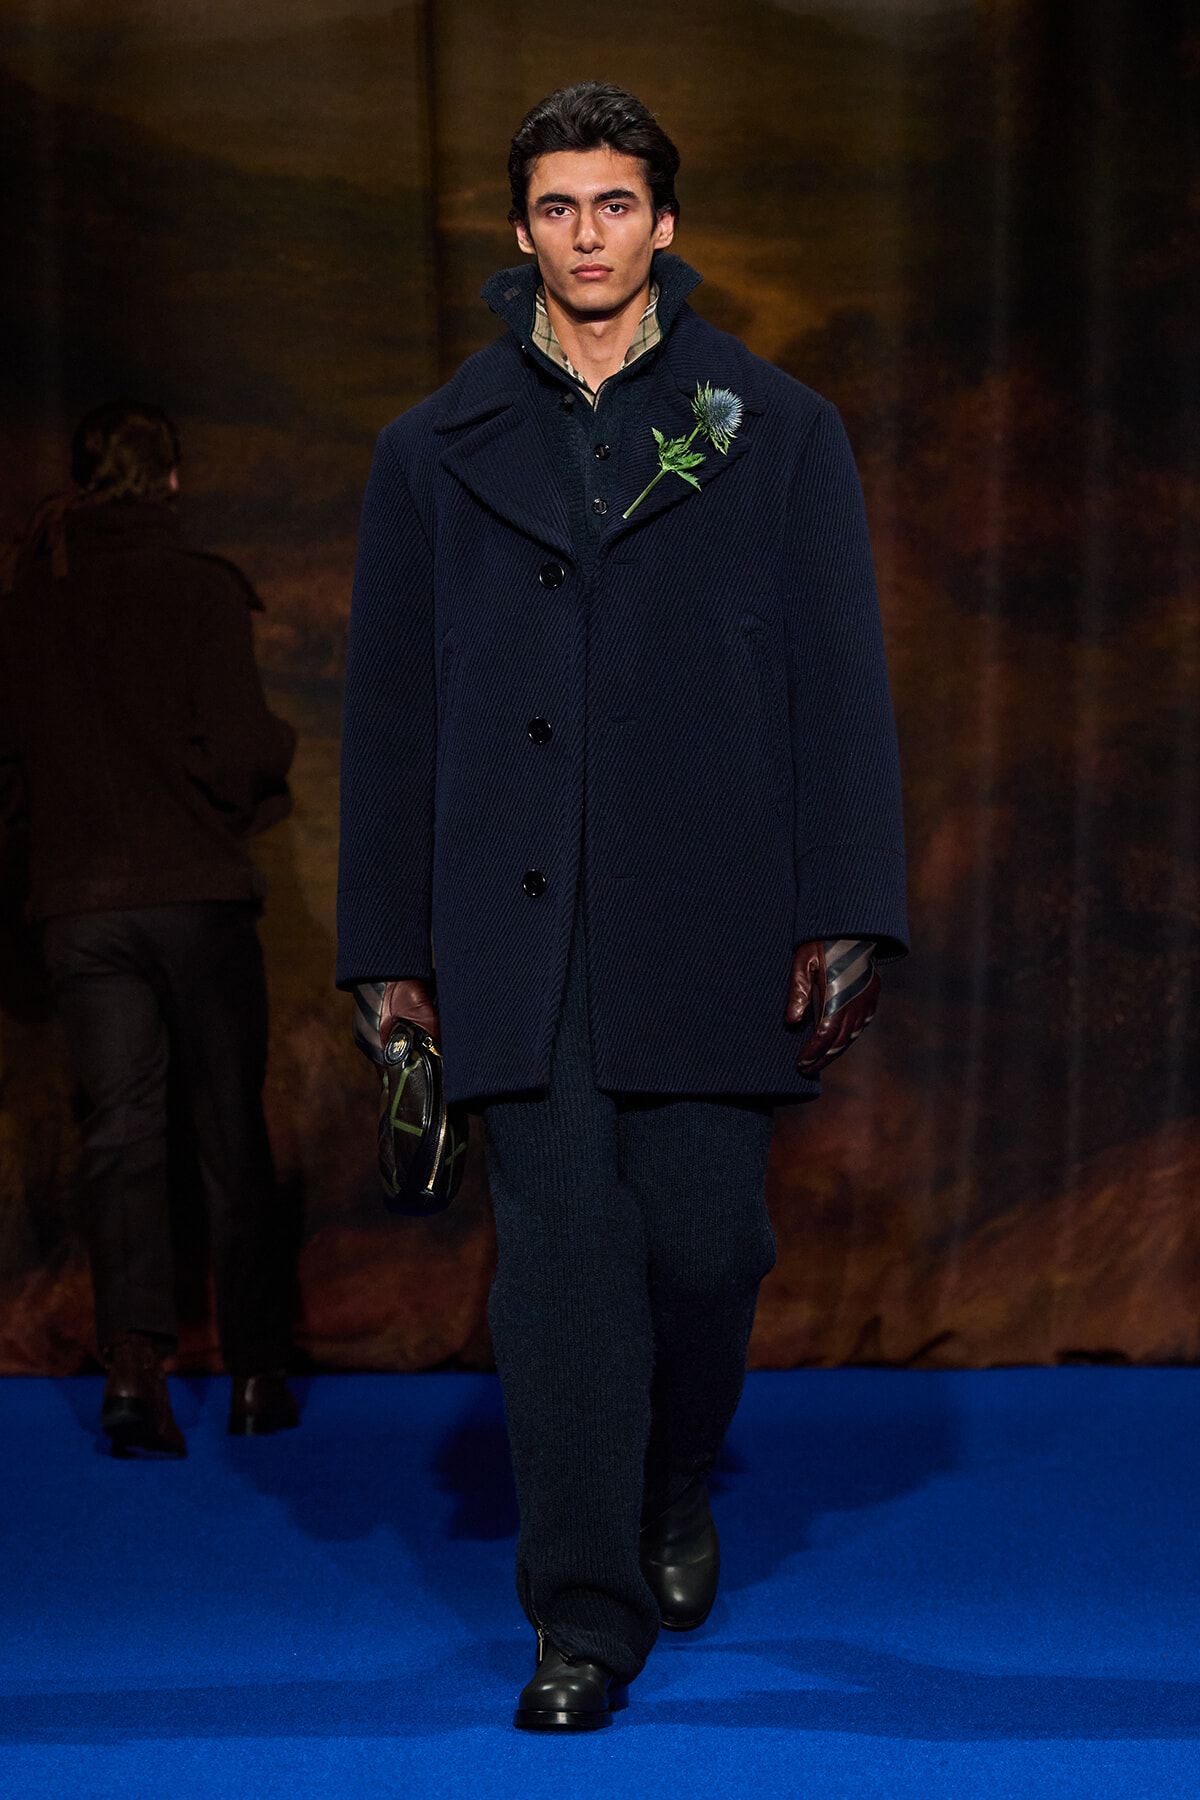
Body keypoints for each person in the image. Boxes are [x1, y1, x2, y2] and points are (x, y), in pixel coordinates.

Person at [337, 83, 908, 1728]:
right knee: (563, 1274)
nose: (587, 235)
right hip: (514, 926)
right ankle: (580, 1617)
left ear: (665, 223)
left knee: (707, 1247)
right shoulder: (428, 452)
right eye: (557, 208)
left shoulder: (777, 427)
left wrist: (849, 898)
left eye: (615, 204)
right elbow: (386, 718)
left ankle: (671, 1484)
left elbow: (839, 685)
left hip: (713, 906)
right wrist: (387, 952)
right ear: (520, 232)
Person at [0, 400, 301, 1456]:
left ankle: (134, 1374)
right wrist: (273, 760)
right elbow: (236, 752)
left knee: (120, 1136)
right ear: (171, 482)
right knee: (228, 1130)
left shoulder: (31, 605)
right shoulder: (200, 592)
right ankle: (259, 1374)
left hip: (81, 908)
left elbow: (11, 781)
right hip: (193, 900)